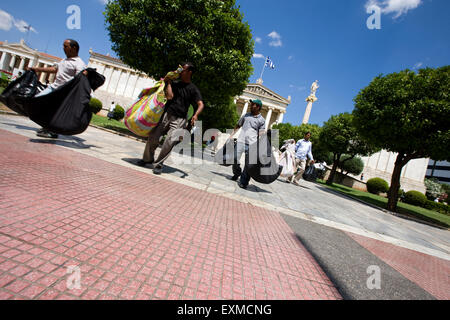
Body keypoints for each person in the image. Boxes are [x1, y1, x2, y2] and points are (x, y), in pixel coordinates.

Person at [137, 62, 204, 175]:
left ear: (189, 72)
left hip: (180, 119)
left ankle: (159, 164)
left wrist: (195, 115)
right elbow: (169, 97)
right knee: (153, 136)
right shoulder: (175, 84)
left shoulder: (193, 89)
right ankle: (147, 159)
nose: (180, 71)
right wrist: (168, 83)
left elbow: (201, 104)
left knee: (170, 141)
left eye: (183, 69)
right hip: (166, 114)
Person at [27, 39, 87, 138]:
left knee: (55, 111)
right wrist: (36, 69)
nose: (63, 48)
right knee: (36, 101)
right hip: (53, 88)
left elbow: (79, 79)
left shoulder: (79, 63)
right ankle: (47, 126)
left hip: (63, 92)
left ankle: (52, 131)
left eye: (65, 46)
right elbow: (55, 69)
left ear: (74, 48)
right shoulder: (64, 60)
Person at [229, 99, 266, 189]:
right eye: (251, 104)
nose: (251, 105)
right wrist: (231, 135)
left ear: (258, 107)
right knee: (234, 159)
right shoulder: (246, 115)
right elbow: (238, 125)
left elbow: (261, 133)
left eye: (253, 104)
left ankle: (244, 182)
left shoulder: (262, 120)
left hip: (252, 144)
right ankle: (237, 173)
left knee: (248, 165)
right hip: (241, 141)